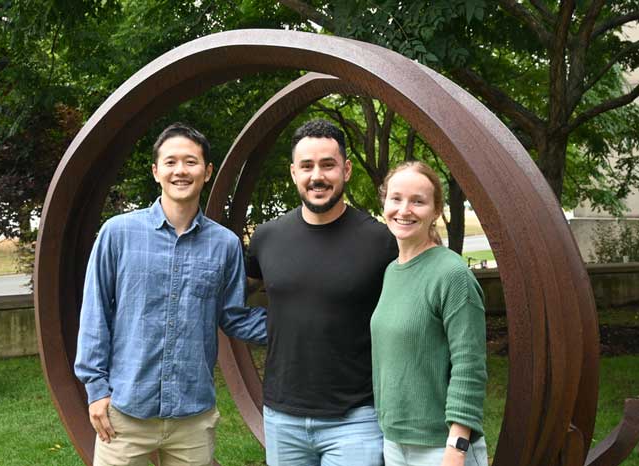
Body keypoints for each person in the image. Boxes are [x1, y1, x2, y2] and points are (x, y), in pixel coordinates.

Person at [74, 122, 266, 466]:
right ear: (156, 171)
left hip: (192, 417)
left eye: (191, 162)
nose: (181, 170)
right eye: (171, 162)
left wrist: (303, 325)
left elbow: (234, 316)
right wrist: (95, 390)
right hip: (124, 413)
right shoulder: (118, 234)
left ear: (207, 172)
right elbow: (95, 313)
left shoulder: (224, 245)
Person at [246, 119, 398, 466]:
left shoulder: (379, 241)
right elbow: (235, 294)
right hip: (282, 417)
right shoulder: (267, 238)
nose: (317, 176)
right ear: (293, 173)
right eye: (307, 166)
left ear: (345, 169)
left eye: (328, 165)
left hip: (355, 417)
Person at [371, 161, 488, 466]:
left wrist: (457, 446)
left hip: (442, 447)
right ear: (384, 202)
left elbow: (470, 365)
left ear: (436, 211)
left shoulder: (452, 275)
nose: (404, 209)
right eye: (396, 198)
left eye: (418, 201)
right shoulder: (391, 272)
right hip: (396, 443)